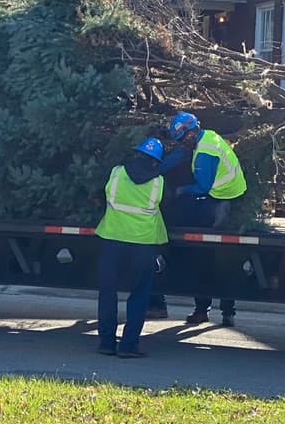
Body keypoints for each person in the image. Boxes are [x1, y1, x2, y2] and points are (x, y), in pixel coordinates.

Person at [168, 111, 247, 326]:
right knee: (217, 260)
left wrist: (179, 191)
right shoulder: (208, 136)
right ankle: (221, 311)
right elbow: (180, 156)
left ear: (190, 134)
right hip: (230, 195)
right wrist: (160, 167)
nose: (182, 144)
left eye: (182, 140)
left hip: (219, 201)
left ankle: (209, 309)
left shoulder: (204, 152)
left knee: (205, 256)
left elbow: (202, 187)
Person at [95, 137, 169, 358]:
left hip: (113, 239)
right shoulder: (159, 182)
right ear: (156, 162)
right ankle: (128, 346)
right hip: (143, 244)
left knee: (108, 293)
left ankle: (106, 343)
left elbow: (105, 194)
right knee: (139, 294)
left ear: (137, 154)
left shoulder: (117, 173)